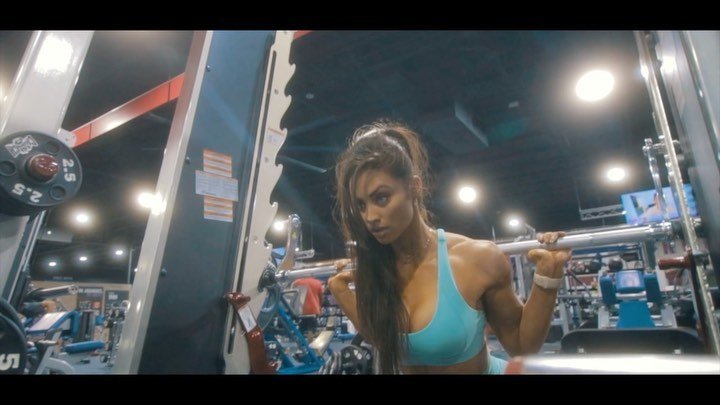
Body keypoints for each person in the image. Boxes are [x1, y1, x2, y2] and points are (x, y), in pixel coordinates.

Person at [328, 120, 571, 374]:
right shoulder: (377, 269)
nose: (370, 217)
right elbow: (380, 338)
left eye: (381, 198)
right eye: (362, 205)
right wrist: (341, 291)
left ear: (414, 187)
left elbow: (522, 346)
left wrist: (548, 276)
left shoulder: (476, 258)